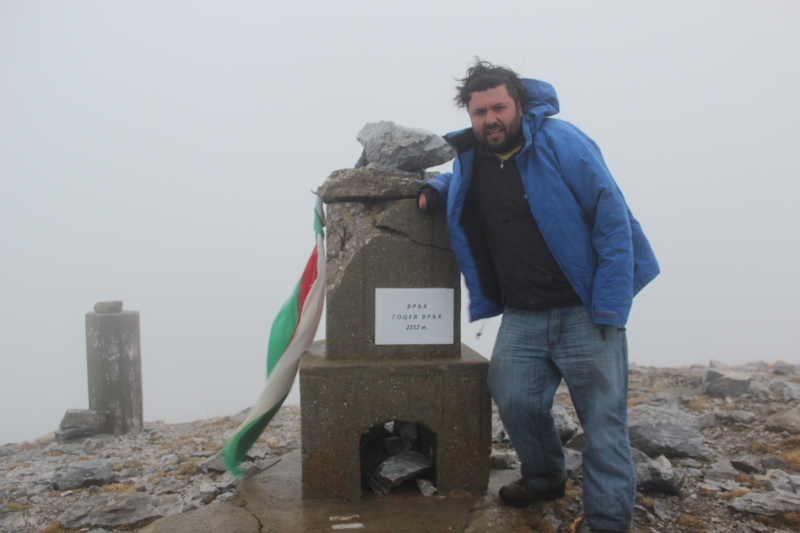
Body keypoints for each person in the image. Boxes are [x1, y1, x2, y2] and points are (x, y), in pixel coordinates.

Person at [417, 60, 659, 533]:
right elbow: (462, 182)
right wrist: (436, 187)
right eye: (480, 112)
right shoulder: (472, 157)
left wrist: (611, 304)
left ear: (519, 105)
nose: (490, 119)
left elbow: (611, 218)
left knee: (603, 423)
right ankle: (545, 476)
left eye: (499, 108)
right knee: (514, 399)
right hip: (523, 314)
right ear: (470, 115)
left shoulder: (561, 141)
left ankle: (608, 521)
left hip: (585, 309)